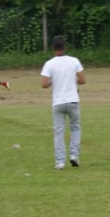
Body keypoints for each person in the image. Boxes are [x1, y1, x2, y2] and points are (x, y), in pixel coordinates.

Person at [41, 36, 86, 170]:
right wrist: (74, 81)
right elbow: (82, 80)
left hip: (58, 102)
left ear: (53, 48)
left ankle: (60, 162)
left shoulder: (49, 64)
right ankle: (74, 155)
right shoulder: (74, 61)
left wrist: (52, 82)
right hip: (73, 100)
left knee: (59, 132)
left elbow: (44, 84)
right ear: (65, 47)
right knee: (75, 128)